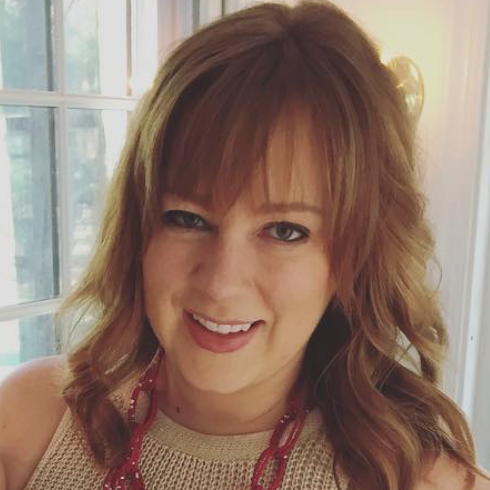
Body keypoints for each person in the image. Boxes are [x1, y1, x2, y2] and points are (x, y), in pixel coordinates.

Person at [0, 1, 489, 489]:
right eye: (187, 218)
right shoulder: (29, 426)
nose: (221, 282)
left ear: (354, 258)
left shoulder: (418, 480)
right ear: (137, 231)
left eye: (285, 230)